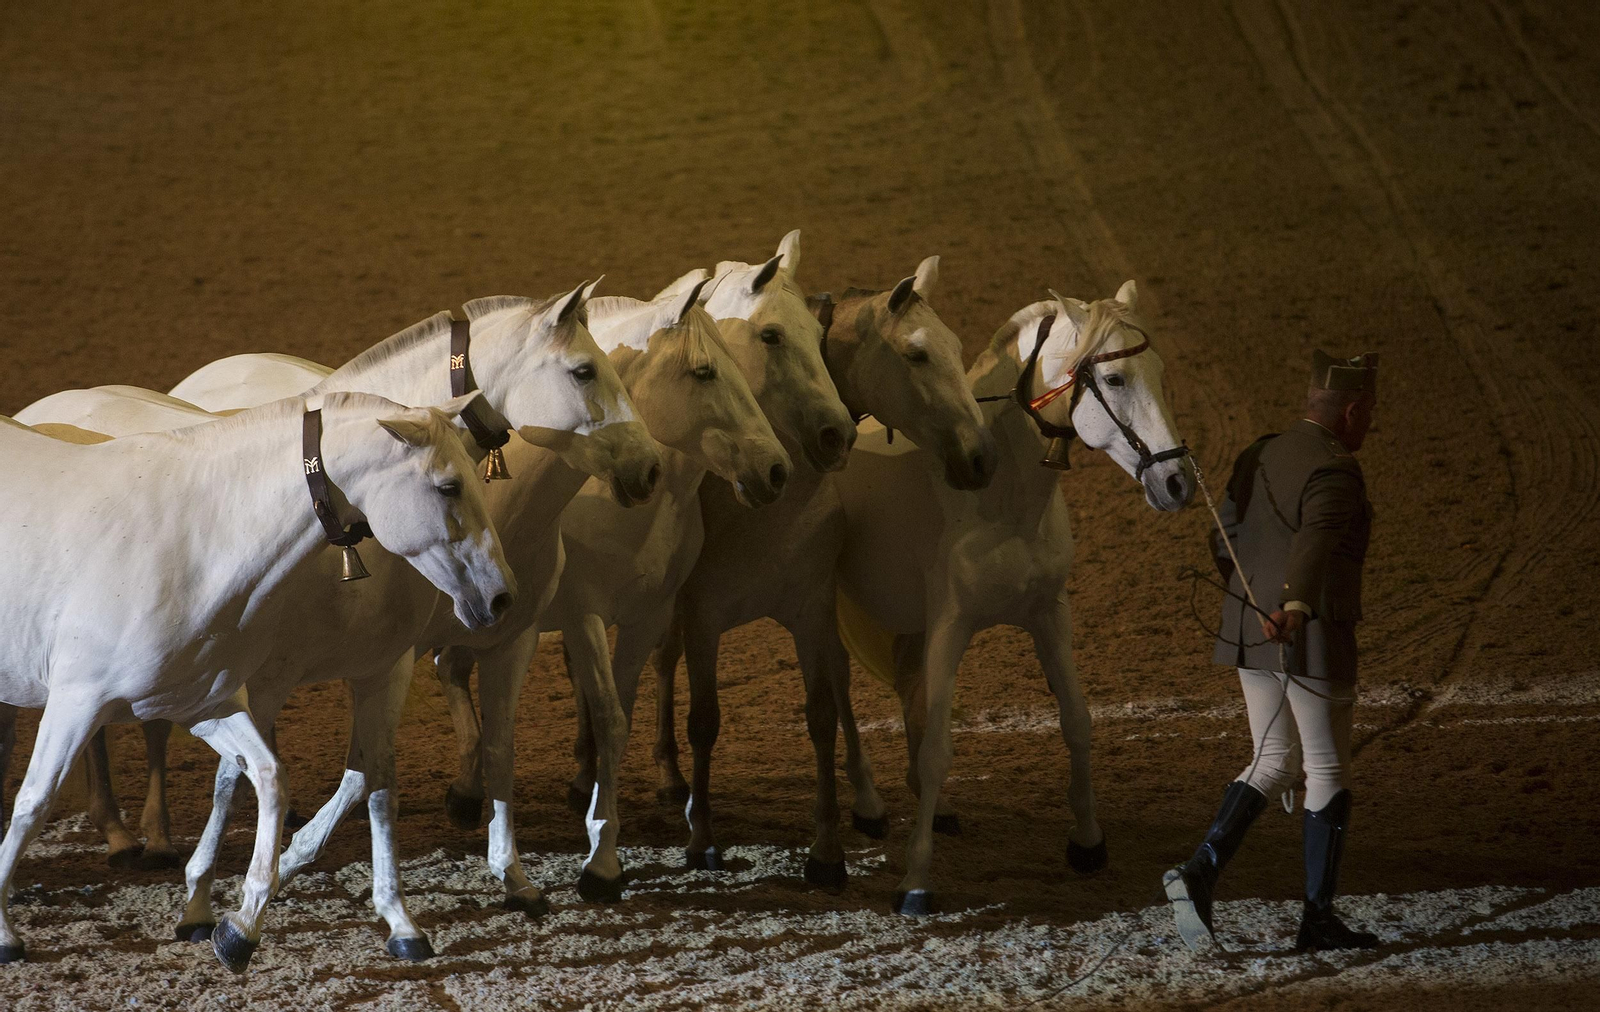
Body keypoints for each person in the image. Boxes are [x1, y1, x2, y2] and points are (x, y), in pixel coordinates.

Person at [1165, 350, 1381, 953]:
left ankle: (1199, 873)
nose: (1370, 426)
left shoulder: (1259, 450)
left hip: (1247, 628)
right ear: (1353, 410)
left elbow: (1225, 533)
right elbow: (1315, 542)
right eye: (1370, 415)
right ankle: (1316, 919)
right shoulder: (1337, 468)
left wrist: (1252, 599)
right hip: (1306, 634)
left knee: (1273, 761)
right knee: (1327, 767)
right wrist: (1296, 606)